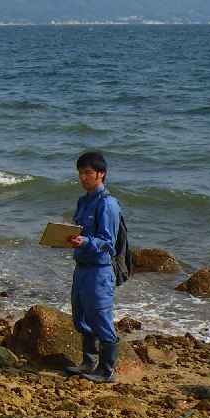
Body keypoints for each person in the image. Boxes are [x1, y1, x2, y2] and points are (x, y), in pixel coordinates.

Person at [63, 149, 122, 383]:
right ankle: (88, 362)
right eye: (80, 173)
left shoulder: (108, 204)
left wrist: (86, 241)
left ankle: (107, 370)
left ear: (101, 174)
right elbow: (80, 232)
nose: (83, 177)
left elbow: (109, 242)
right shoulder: (83, 201)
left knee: (101, 318)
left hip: (99, 271)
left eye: (88, 173)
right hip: (82, 267)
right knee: (81, 316)